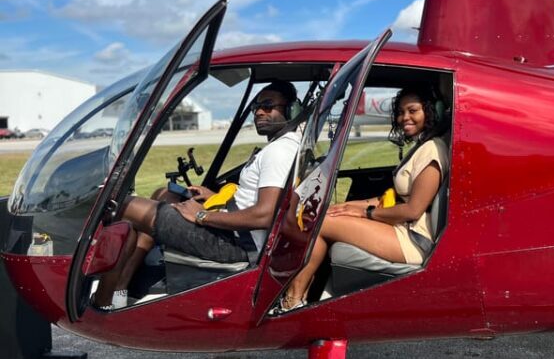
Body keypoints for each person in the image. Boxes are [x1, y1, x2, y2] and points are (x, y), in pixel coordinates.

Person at [93, 81, 301, 309]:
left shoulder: (279, 152)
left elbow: (265, 215)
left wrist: (202, 216)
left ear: (291, 109)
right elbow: (256, 199)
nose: (259, 112)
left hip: (236, 244)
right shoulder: (284, 145)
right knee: (164, 195)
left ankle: (102, 304)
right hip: (238, 234)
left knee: (121, 206)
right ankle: (121, 288)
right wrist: (214, 196)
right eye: (256, 107)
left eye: (268, 105)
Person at [279, 86, 449, 311]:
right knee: (326, 214)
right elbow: (392, 197)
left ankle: (292, 300)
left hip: (413, 239)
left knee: (318, 223)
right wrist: (347, 206)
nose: (404, 117)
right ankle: (302, 298)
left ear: (430, 111)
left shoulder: (432, 150)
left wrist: (364, 212)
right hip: (403, 228)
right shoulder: (422, 146)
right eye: (400, 112)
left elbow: (412, 210)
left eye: (413, 110)